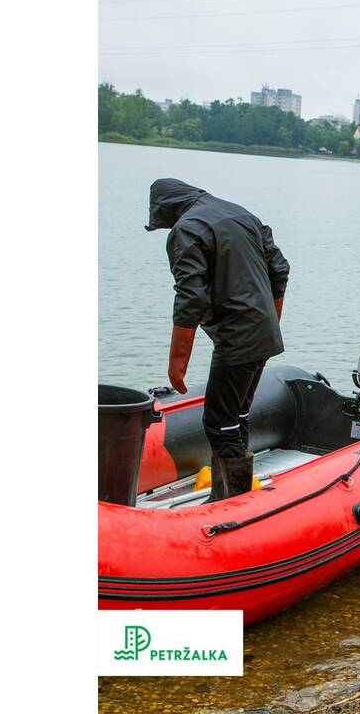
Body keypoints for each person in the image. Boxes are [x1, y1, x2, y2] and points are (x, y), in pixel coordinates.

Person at [145, 178, 290, 502]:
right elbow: (279, 269)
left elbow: (190, 297)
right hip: (261, 332)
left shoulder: (187, 229)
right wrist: (270, 321)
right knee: (236, 416)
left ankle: (231, 501)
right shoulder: (242, 214)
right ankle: (236, 495)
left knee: (218, 422)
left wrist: (176, 364)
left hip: (238, 338)